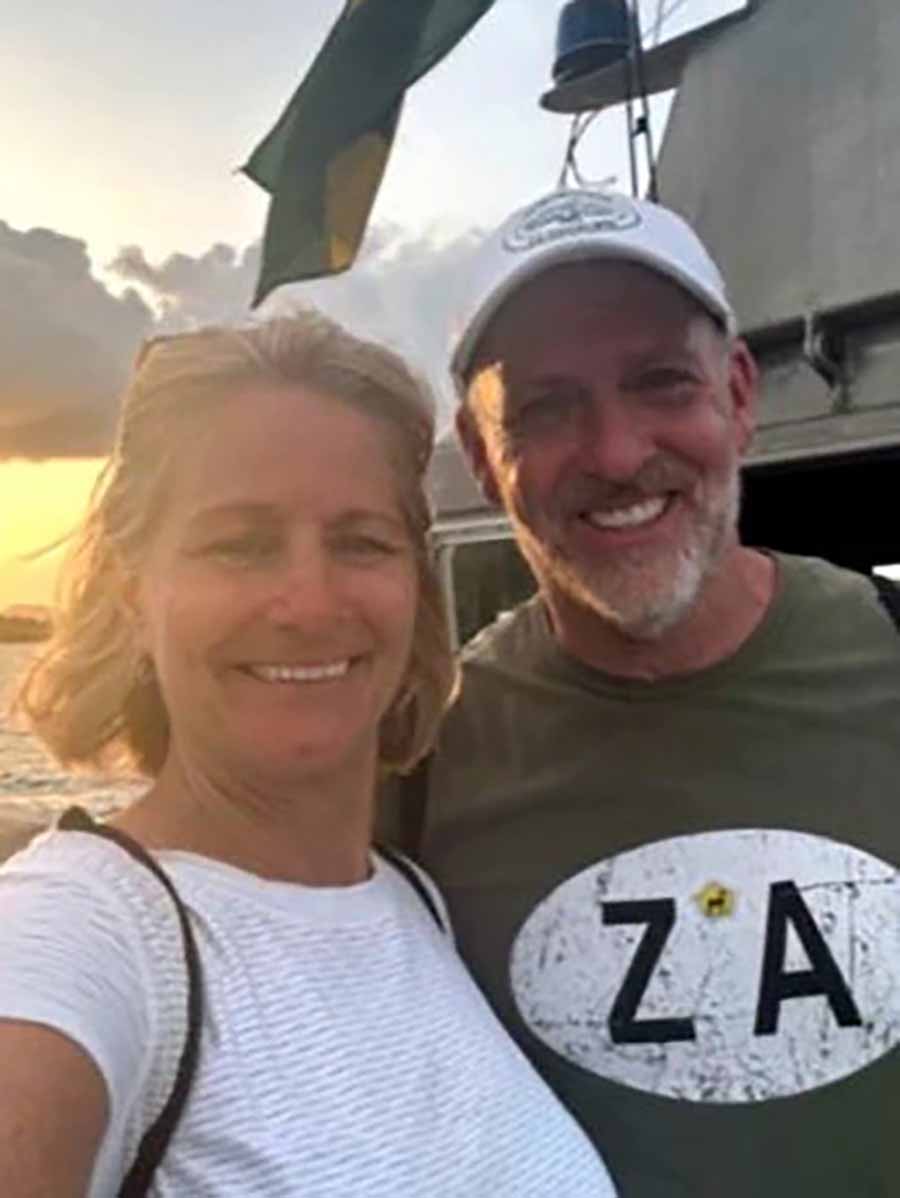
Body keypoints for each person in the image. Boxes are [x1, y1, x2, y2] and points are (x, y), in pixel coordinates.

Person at [0, 312, 617, 1197]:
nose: (308, 603)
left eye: (361, 542)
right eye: (239, 545)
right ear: (135, 589)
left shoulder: (413, 902)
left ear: (415, 583)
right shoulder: (81, 932)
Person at [383, 189, 900, 1196]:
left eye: (661, 381)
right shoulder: (419, 764)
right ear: (484, 458)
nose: (617, 454)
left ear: (738, 395)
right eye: (545, 406)